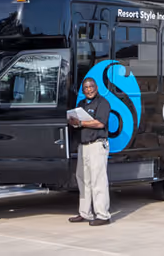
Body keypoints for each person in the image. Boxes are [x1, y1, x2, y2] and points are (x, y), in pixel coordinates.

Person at [68, 77, 112, 226]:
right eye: (86, 87)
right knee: (83, 179)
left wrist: (80, 122)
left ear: (96, 87)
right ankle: (85, 213)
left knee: (98, 181)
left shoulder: (103, 103)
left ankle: (103, 215)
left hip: (97, 145)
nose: (89, 89)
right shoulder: (81, 104)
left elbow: (100, 123)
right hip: (83, 146)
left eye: (91, 86)